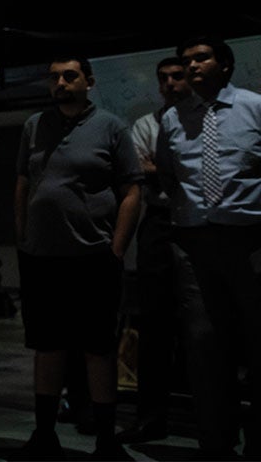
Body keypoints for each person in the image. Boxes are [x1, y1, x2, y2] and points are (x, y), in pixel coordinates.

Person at [13, 55, 141, 462]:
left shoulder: (111, 126)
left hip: (93, 258)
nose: (60, 83)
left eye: (69, 76)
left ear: (87, 81)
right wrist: (22, 235)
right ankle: (44, 436)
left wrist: (117, 247)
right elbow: (22, 183)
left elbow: (132, 191)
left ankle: (105, 441)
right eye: (54, 77)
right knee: (47, 348)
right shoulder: (36, 126)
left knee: (98, 349)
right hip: (43, 259)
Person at [156, 35, 261, 459]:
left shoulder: (255, 107)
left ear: (225, 65)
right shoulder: (173, 118)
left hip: (249, 238)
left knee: (258, 343)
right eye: (186, 60)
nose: (191, 66)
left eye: (200, 58)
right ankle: (215, 445)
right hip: (195, 242)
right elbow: (167, 175)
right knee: (204, 347)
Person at [117, 56, 190, 445]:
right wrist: (173, 168)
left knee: (203, 325)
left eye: (177, 77)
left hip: (199, 222)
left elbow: (169, 169)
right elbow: (136, 169)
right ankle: (151, 418)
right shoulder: (146, 124)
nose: (170, 84)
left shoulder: (202, 121)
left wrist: (160, 167)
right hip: (159, 223)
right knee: (154, 325)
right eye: (163, 78)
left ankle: (212, 418)